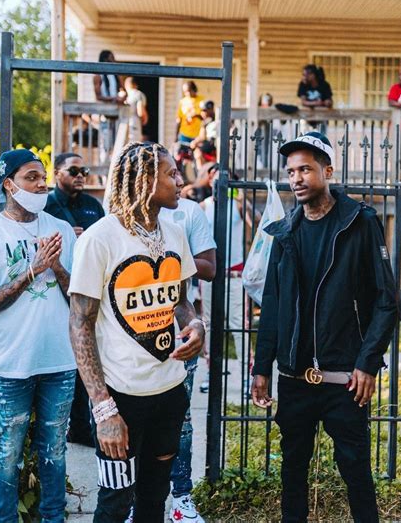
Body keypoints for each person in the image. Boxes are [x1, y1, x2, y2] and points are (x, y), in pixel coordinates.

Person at [251, 132, 398, 523]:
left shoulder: (359, 222)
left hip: (345, 378)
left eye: (305, 169)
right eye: (291, 171)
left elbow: (387, 301)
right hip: (295, 378)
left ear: (327, 172)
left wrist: (367, 362)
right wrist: (261, 367)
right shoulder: (284, 232)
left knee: (356, 471)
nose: (296, 178)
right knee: (292, 471)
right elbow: (272, 304)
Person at [68, 141, 205, 523]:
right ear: (145, 180)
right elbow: (80, 324)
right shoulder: (99, 239)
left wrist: (195, 325)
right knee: (115, 503)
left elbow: (181, 302)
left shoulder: (175, 234)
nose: (180, 181)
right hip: (121, 399)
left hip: (170, 393)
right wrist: (103, 409)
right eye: (171, 174)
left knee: (154, 498)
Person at [0, 149, 77, 523]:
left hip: (59, 361)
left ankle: (53, 518)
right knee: (7, 454)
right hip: (10, 364)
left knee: (54, 451)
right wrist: (32, 270)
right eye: (31, 177)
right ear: (9, 185)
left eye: (43, 176)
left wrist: (56, 267)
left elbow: (79, 299)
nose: (42, 184)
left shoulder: (61, 230)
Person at [160, 192, 216, 523]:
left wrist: (170, 258)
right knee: (136, 423)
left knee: (180, 420)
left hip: (179, 334)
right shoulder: (117, 215)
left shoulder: (187, 214)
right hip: (131, 343)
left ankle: (181, 497)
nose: (180, 181)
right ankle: (138, 500)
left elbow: (209, 268)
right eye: (171, 173)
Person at [45, 152, 105, 448]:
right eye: (73, 170)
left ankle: (81, 428)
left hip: (87, 286)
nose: (81, 175)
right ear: (57, 173)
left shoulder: (94, 206)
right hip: (52, 290)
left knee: (86, 356)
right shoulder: (46, 206)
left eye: (84, 171)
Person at [199, 170, 259, 394]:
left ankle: (246, 376)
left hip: (234, 274)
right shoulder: (203, 206)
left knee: (239, 325)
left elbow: (257, 222)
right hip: (210, 275)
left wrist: (242, 199)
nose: (218, 182)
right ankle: (211, 373)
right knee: (209, 324)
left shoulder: (238, 204)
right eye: (215, 178)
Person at [297, 64, 333, 134]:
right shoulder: (303, 84)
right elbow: (303, 102)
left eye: (305, 75)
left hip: (321, 118)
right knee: (304, 138)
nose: (303, 77)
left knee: (321, 138)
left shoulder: (324, 85)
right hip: (306, 118)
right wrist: (318, 103)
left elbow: (329, 101)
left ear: (312, 75)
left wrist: (328, 102)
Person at [190, 100, 218, 169]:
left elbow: (202, 137)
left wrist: (194, 142)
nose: (202, 113)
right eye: (202, 111)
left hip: (211, 144)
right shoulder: (217, 118)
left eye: (204, 111)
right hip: (216, 145)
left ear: (211, 110)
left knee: (197, 152)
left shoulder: (206, 122)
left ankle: (201, 171)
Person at [124, 77, 148, 142]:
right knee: (135, 145)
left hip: (123, 125)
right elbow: (140, 112)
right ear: (135, 85)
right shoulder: (138, 94)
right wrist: (145, 119)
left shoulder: (123, 96)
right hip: (134, 124)